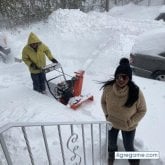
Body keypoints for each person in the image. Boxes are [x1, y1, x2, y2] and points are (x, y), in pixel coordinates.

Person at [101, 58, 147, 165]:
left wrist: (131, 122)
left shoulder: (136, 92)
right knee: (111, 144)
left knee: (128, 146)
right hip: (112, 123)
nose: (120, 79)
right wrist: (107, 114)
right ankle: (112, 156)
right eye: (118, 76)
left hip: (128, 126)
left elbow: (142, 110)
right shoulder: (108, 88)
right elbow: (103, 102)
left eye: (124, 77)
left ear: (129, 78)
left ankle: (134, 161)